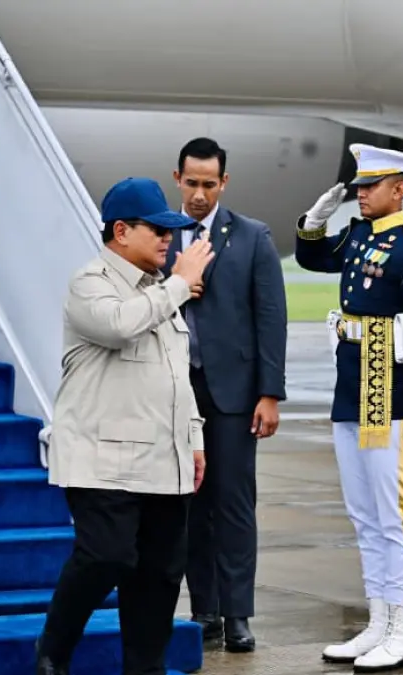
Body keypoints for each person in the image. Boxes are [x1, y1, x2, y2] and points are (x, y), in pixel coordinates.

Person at [34, 177, 213, 675]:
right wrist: (180, 285)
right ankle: (53, 649)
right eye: (156, 229)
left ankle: (145, 669)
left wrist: (195, 440)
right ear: (120, 231)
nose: (166, 239)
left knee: (159, 576)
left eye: (169, 231)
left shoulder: (159, 292)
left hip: (165, 460)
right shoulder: (90, 282)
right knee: (106, 557)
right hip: (102, 459)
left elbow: (179, 377)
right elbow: (118, 325)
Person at [295, 143, 403, 671]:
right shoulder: (360, 235)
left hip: (392, 392)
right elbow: (312, 257)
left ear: (398, 189)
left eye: (369, 187)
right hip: (352, 388)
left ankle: (401, 631)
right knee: (363, 517)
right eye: (358, 187)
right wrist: (314, 221)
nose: (360, 195)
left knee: (395, 515)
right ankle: (378, 623)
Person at [164, 137, 287, 652]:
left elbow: (270, 318)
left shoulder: (253, 238)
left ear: (224, 183)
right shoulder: (163, 238)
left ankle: (238, 615)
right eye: (190, 183)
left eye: (208, 184)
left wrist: (270, 393)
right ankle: (205, 610)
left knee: (234, 505)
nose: (198, 194)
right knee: (188, 505)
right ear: (177, 179)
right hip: (176, 392)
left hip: (235, 394)